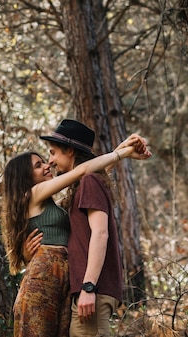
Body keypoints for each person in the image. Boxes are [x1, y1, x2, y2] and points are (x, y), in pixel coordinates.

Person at [1, 131, 150, 337]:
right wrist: (121, 154)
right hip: (42, 283)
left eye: (46, 159)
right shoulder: (32, 196)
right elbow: (83, 173)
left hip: (62, 283)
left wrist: (121, 149)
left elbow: (89, 179)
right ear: (24, 177)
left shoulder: (54, 206)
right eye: (38, 165)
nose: (48, 165)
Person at [41, 119, 137, 337]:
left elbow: (100, 233)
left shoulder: (89, 182)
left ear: (69, 151)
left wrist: (89, 287)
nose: (51, 161)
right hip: (90, 290)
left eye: (53, 153)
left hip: (95, 289)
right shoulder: (84, 183)